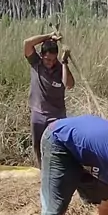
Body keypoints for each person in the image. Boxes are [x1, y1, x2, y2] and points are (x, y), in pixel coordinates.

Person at [24, 31, 75, 167]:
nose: (50, 63)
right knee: (38, 148)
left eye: (53, 60)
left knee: (59, 148)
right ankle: (42, 172)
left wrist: (64, 63)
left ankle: (59, 172)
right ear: (41, 56)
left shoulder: (60, 67)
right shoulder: (36, 63)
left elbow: (69, 85)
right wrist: (49, 36)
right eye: (47, 60)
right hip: (38, 114)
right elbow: (27, 43)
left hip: (57, 116)